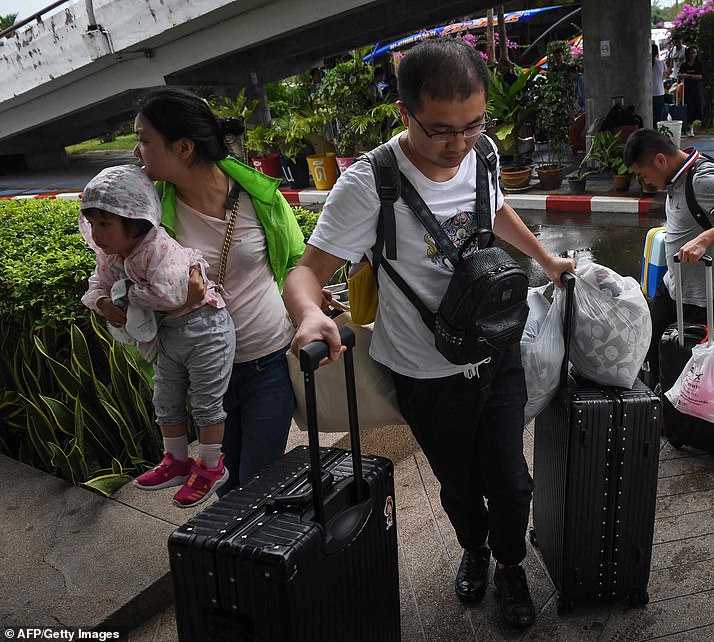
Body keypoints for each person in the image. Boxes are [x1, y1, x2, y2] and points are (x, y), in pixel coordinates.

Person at [283, 38, 574, 629]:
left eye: (473, 126)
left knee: (512, 483)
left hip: (496, 352)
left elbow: (494, 211)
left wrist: (546, 260)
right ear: (404, 113)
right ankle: (474, 548)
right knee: (461, 485)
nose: (459, 144)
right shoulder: (371, 183)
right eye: (441, 130)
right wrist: (309, 314)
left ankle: (511, 567)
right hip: (424, 370)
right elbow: (307, 272)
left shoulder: (483, 155)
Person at [134, 87, 306, 496]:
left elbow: (299, 259)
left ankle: (260, 555)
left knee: (259, 479)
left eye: (144, 140)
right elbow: (130, 279)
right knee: (225, 483)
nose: (136, 152)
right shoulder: (150, 214)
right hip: (208, 374)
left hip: (270, 362)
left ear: (183, 147)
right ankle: (239, 559)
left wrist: (309, 310)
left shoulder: (258, 198)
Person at [80, 165, 235, 507]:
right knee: (165, 400)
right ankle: (176, 461)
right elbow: (96, 287)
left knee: (207, 403)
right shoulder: (110, 255)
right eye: (92, 224)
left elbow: (171, 295)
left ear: (135, 221)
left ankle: (211, 467)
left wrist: (124, 294)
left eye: (105, 223)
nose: (97, 233)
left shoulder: (158, 248)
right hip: (170, 336)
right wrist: (104, 302)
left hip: (205, 330)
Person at [623, 129, 714, 383]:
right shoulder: (675, 179)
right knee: (655, 352)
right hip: (674, 288)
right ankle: (663, 413)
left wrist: (704, 239)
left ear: (660, 161)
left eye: (644, 175)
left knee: (698, 376)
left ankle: (690, 420)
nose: (646, 183)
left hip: (706, 300)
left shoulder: (703, 178)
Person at [677, 47, 704, 137]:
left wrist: (688, 75)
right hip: (687, 89)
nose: (692, 55)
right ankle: (689, 127)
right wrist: (685, 76)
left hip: (697, 88)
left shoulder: (699, 64)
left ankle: (698, 122)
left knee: (697, 106)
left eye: (694, 53)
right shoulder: (684, 65)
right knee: (688, 107)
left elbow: (700, 77)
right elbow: (680, 74)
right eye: (691, 53)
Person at [651, 43, 667, 128]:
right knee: (659, 116)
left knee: (651, 115)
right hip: (660, 92)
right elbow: (664, 75)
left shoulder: (646, 64)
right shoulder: (661, 63)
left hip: (650, 93)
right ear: (657, 52)